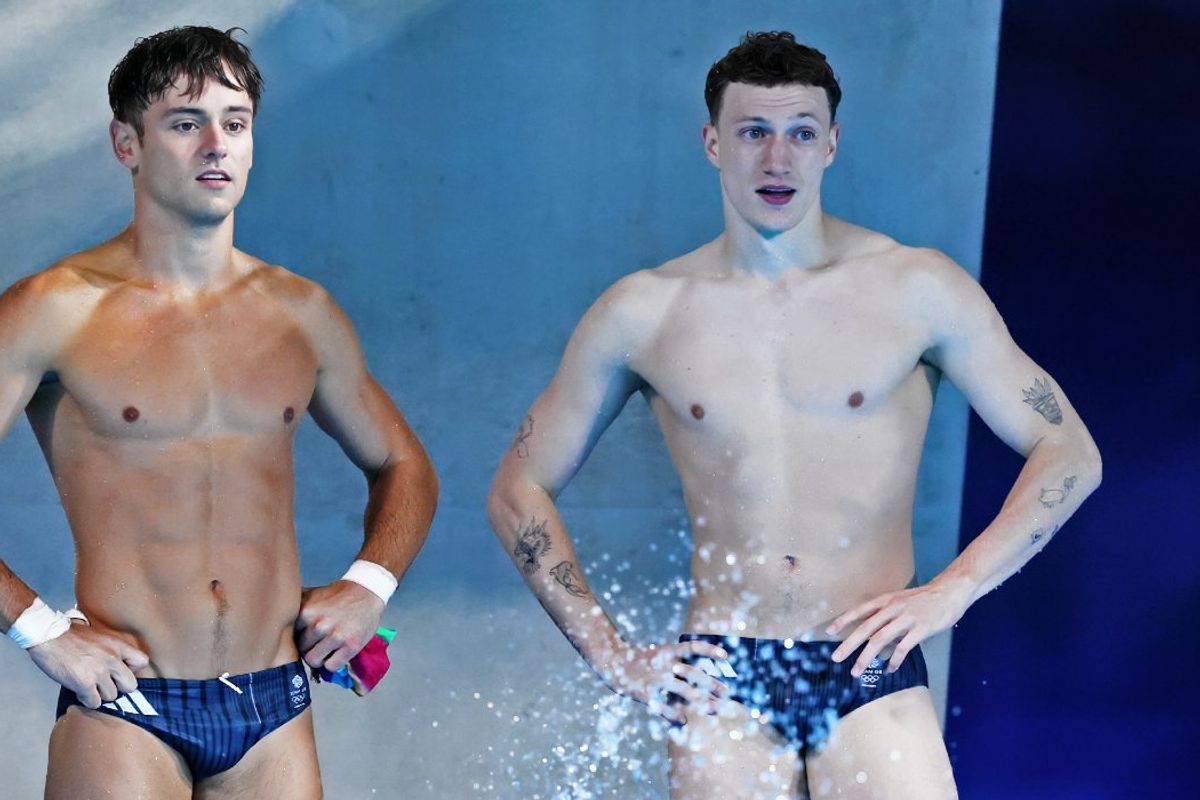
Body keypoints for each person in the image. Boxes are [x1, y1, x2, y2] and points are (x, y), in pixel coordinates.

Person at [487, 31, 1100, 799]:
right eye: (754, 132)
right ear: (713, 143)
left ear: (831, 144)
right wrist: (612, 655)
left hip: (866, 660)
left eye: (801, 133)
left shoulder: (916, 289)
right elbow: (516, 490)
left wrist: (956, 588)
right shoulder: (644, 312)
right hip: (723, 674)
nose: (777, 159)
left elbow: (1069, 451)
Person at [0, 26, 437, 798]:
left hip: (274, 705)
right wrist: (38, 631)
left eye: (235, 123)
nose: (215, 145)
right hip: (128, 706)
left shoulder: (301, 313)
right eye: (185, 122)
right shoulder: (52, 310)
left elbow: (404, 464)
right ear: (127, 144)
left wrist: (369, 585)